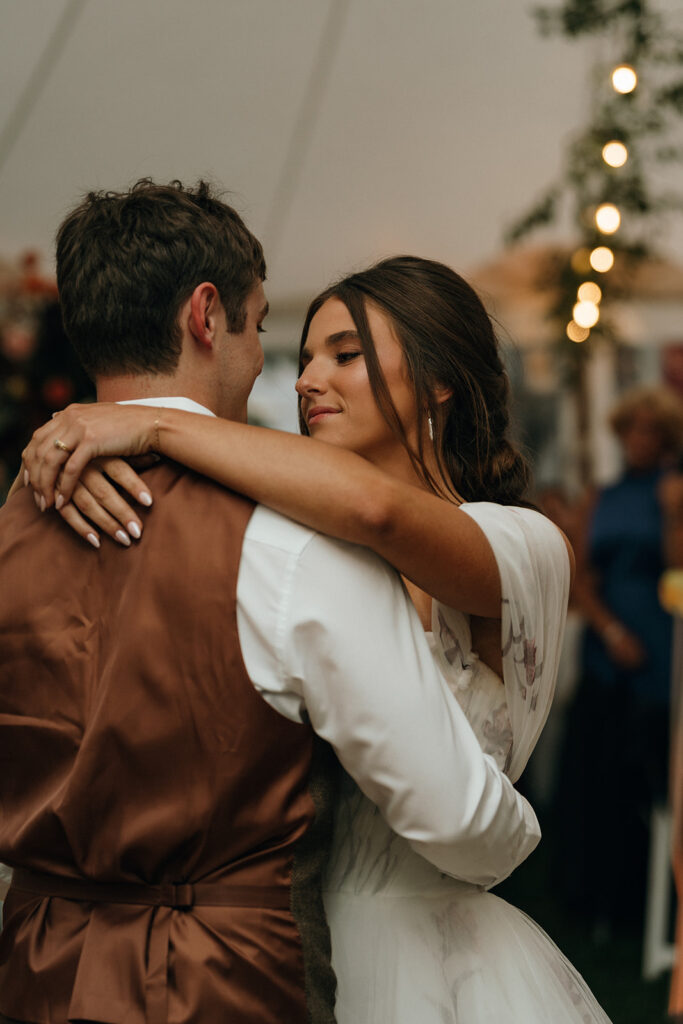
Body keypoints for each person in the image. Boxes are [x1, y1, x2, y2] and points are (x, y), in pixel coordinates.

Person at [0, 182, 541, 1024]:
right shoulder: (295, 546)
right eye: (259, 327)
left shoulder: (15, 525)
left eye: (342, 354)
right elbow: (459, 818)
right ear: (206, 316)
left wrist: (131, 428)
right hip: (221, 982)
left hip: (35, 970)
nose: (280, 372)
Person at [557, 386, 683, 939]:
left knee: (650, 773)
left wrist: (673, 514)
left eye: (650, 430)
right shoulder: (601, 496)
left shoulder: (674, 492)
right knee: (599, 767)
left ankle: (651, 902)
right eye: (631, 428)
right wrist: (608, 629)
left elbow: (679, 571)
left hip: (661, 643)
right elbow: (579, 574)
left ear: (666, 439)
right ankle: (596, 899)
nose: (639, 439)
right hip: (607, 644)